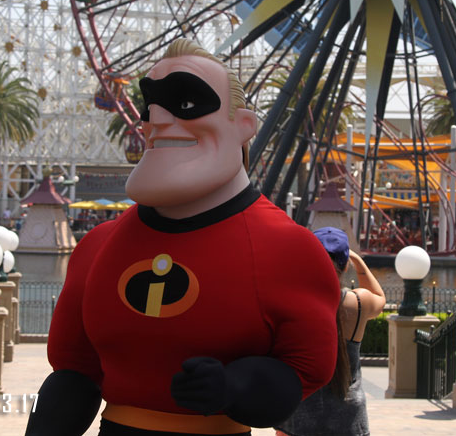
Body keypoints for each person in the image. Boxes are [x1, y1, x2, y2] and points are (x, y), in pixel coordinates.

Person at [27, 38, 340, 436]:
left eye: (186, 102)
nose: (156, 119)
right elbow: (74, 373)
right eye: (150, 104)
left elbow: (301, 370)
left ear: (243, 125)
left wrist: (235, 386)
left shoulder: (287, 249)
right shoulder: (98, 246)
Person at [276, 227, 386, 436]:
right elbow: (379, 297)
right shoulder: (359, 303)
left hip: (301, 411)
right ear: (344, 267)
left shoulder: (292, 303)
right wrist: (358, 261)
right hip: (349, 415)